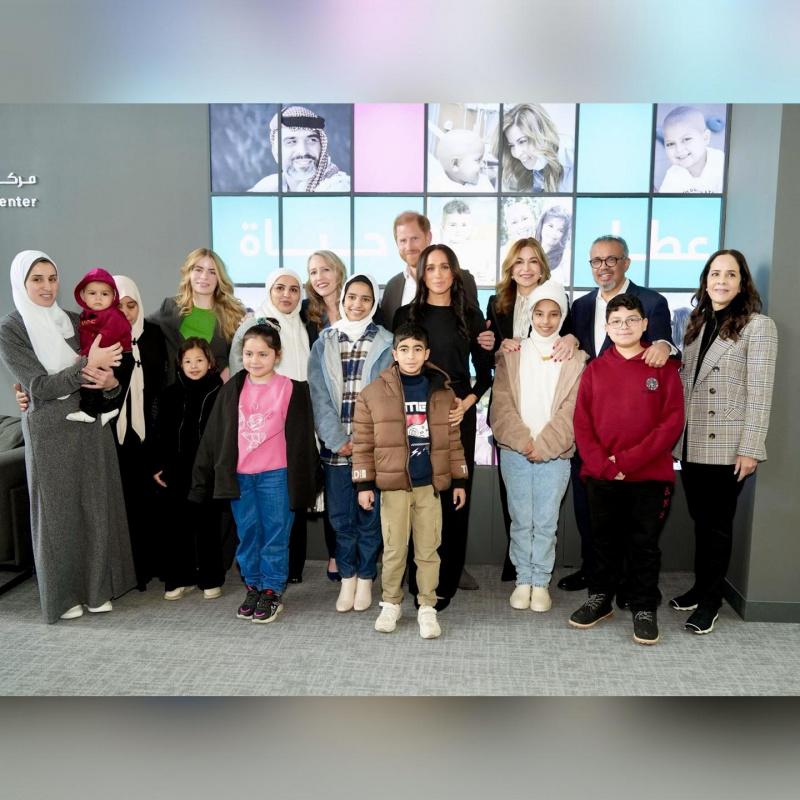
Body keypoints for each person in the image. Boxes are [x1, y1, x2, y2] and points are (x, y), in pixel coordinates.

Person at [0, 250, 136, 623]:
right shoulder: (11, 329)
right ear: (21, 283)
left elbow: (111, 376)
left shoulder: (77, 320)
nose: (47, 287)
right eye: (36, 279)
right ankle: (63, 596)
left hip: (89, 424)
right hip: (49, 433)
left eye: (52, 278)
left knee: (95, 508)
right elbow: (40, 387)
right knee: (57, 516)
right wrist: (88, 366)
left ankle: (96, 590)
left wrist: (109, 382)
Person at [559, 235, 677, 594]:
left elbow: (662, 348)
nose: (604, 267)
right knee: (589, 510)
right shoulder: (581, 306)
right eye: (596, 261)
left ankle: (628, 582)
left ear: (626, 262)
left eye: (611, 259)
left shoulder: (652, 302)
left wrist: (664, 344)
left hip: (638, 436)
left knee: (636, 522)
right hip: (594, 429)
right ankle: (594, 572)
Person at [671, 249, 777, 634]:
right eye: (715, 273)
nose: (721, 281)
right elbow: (687, 381)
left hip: (728, 446)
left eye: (730, 274)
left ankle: (711, 602)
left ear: (742, 282)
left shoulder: (758, 326)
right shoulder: (696, 323)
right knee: (701, 522)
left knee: (717, 526)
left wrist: (751, 448)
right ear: (705, 280)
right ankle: (701, 588)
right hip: (692, 441)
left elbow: (760, 392)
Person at [569, 294, 685, 645]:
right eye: (616, 321)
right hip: (601, 476)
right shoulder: (594, 370)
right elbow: (582, 424)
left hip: (649, 477)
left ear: (645, 324)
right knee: (602, 541)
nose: (624, 326)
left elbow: (671, 424)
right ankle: (600, 597)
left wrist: (625, 462)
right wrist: (605, 466)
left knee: (643, 545)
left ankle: (644, 606)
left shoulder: (663, 368)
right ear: (607, 327)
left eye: (632, 319)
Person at [190, 323, 318, 624]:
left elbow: (302, 441)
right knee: (248, 534)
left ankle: (271, 590)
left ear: (277, 355)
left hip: (277, 476)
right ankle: (254, 586)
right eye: (248, 354)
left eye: (263, 354)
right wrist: (201, 478)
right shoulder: (232, 389)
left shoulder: (292, 388)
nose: (255, 360)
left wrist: (310, 481)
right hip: (241, 476)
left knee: (275, 534)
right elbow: (214, 436)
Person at [352, 322, 468, 639]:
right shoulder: (373, 394)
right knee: (394, 550)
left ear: (427, 353)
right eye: (404, 349)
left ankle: (427, 606)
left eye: (417, 349)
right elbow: (363, 443)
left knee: (429, 550)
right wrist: (364, 484)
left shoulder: (442, 392)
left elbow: (453, 441)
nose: (411, 355)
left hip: (429, 487)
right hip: (394, 488)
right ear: (394, 354)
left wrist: (459, 479)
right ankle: (390, 603)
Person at [393, 244, 494, 608]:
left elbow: (485, 374)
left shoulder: (470, 315)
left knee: (454, 498)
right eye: (430, 267)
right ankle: (418, 580)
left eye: (444, 267)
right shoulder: (406, 314)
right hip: (416, 415)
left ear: (454, 272)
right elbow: (396, 369)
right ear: (421, 273)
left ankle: (445, 583)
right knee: (417, 496)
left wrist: (468, 403)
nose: (437, 274)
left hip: (456, 415)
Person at [490, 280, 588, 613]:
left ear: (562, 317)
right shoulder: (512, 353)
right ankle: (523, 580)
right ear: (530, 314)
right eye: (539, 313)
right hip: (515, 451)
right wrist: (523, 441)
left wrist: (544, 445)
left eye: (554, 314)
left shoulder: (576, 358)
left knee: (546, 522)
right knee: (521, 520)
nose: (546, 320)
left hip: (555, 454)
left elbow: (573, 410)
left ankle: (541, 582)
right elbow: (501, 405)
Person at [485, 237, 578, 582]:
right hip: (513, 410)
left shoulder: (558, 300)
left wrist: (572, 338)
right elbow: (490, 354)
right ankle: (519, 564)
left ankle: (537, 572)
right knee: (516, 500)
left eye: (533, 261)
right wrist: (496, 345)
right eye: (519, 262)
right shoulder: (497, 302)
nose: (525, 268)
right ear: (510, 268)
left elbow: (571, 338)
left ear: (542, 267)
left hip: (550, 413)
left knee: (546, 508)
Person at [308, 274, 394, 613]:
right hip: (337, 450)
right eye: (352, 297)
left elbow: (389, 398)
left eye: (365, 298)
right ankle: (348, 577)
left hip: (371, 448)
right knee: (341, 518)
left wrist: (363, 441)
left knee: (369, 519)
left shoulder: (387, 342)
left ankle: (366, 578)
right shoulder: (324, 341)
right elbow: (318, 396)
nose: (357, 304)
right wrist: (337, 440)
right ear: (343, 299)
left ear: (374, 304)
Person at [229, 268, 314, 584]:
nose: (287, 295)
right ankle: (256, 583)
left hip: (288, 438)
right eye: (280, 288)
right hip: (251, 448)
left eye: (294, 289)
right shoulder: (253, 325)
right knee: (252, 526)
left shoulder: (303, 327)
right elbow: (239, 380)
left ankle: (279, 580)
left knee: (282, 517)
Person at [152, 338, 225, 600]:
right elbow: (159, 432)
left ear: (210, 363)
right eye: (188, 361)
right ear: (180, 364)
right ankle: (179, 577)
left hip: (208, 471)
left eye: (199, 360)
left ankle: (210, 577)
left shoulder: (220, 393)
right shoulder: (170, 394)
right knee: (176, 526)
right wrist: (157, 464)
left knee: (208, 526)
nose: (194, 366)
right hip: (176, 470)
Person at [302, 250, 346, 582]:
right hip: (320, 408)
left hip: (355, 407)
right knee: (332, 485)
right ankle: (335, 553)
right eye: (314, 272)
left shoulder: (358, 303)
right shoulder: (306, 314)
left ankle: (358, 553)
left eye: (325, 269)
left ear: (338, 271)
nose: (320, 277)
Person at [149, 247, 245, 385]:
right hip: (175, 395)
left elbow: (244, 355)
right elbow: (139, 327)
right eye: (198, 270)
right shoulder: (170, 307)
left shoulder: (233, 314)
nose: (204, 276)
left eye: (212, 272)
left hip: (217, 395)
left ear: (219, 278)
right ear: (189, 273)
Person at [378, 211, 480, 331]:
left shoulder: (462, 279)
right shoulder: (392, 287)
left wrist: (485, 337)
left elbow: (475, 327)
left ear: (428, 237)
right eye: (403, 240)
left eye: (415, 238)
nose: (409, 247)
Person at [66, 268, 133, 425]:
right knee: (92, 379)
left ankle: (89, 411)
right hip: (102, 355)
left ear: (113, 296)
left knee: (92, 377)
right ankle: (107, 409)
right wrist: (85, 355)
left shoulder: (113, 314)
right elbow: (85, 338)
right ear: (83, 295)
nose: (98, 298)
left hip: (119, 355)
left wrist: (87, 356)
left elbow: (107, 336)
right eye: (92, 293)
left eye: (104, 294)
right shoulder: (84, 315)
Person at [248, 105, 351, 193]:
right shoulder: (268, 186)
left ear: (321, 147)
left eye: (312, 140)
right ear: (276, 153)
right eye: (291, 142)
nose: (303, 151)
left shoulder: (338, 187)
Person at [498, 103, 574, 193]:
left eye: (522, 141)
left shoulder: (572, 159)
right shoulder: (535, 167)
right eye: (511, 145)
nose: (517, 154)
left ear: (542, 134)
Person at [658, 106, 725, 194]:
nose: (679, 149)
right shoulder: (672, 175)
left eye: (686, 139)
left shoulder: (721, 163)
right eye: (670, 144)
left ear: (705, 138)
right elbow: (664, 201)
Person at [428, 126, 494, 191]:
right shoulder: (438, 189)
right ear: (455, 164)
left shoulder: (484, 183)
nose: (483, 164)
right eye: (478, 160)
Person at [535, 204, 572, 284]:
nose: (554, 233)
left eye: (560, 230)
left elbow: (569, 285)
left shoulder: (565, 256)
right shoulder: (528, 250)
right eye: (550, 226)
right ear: (541, 225)